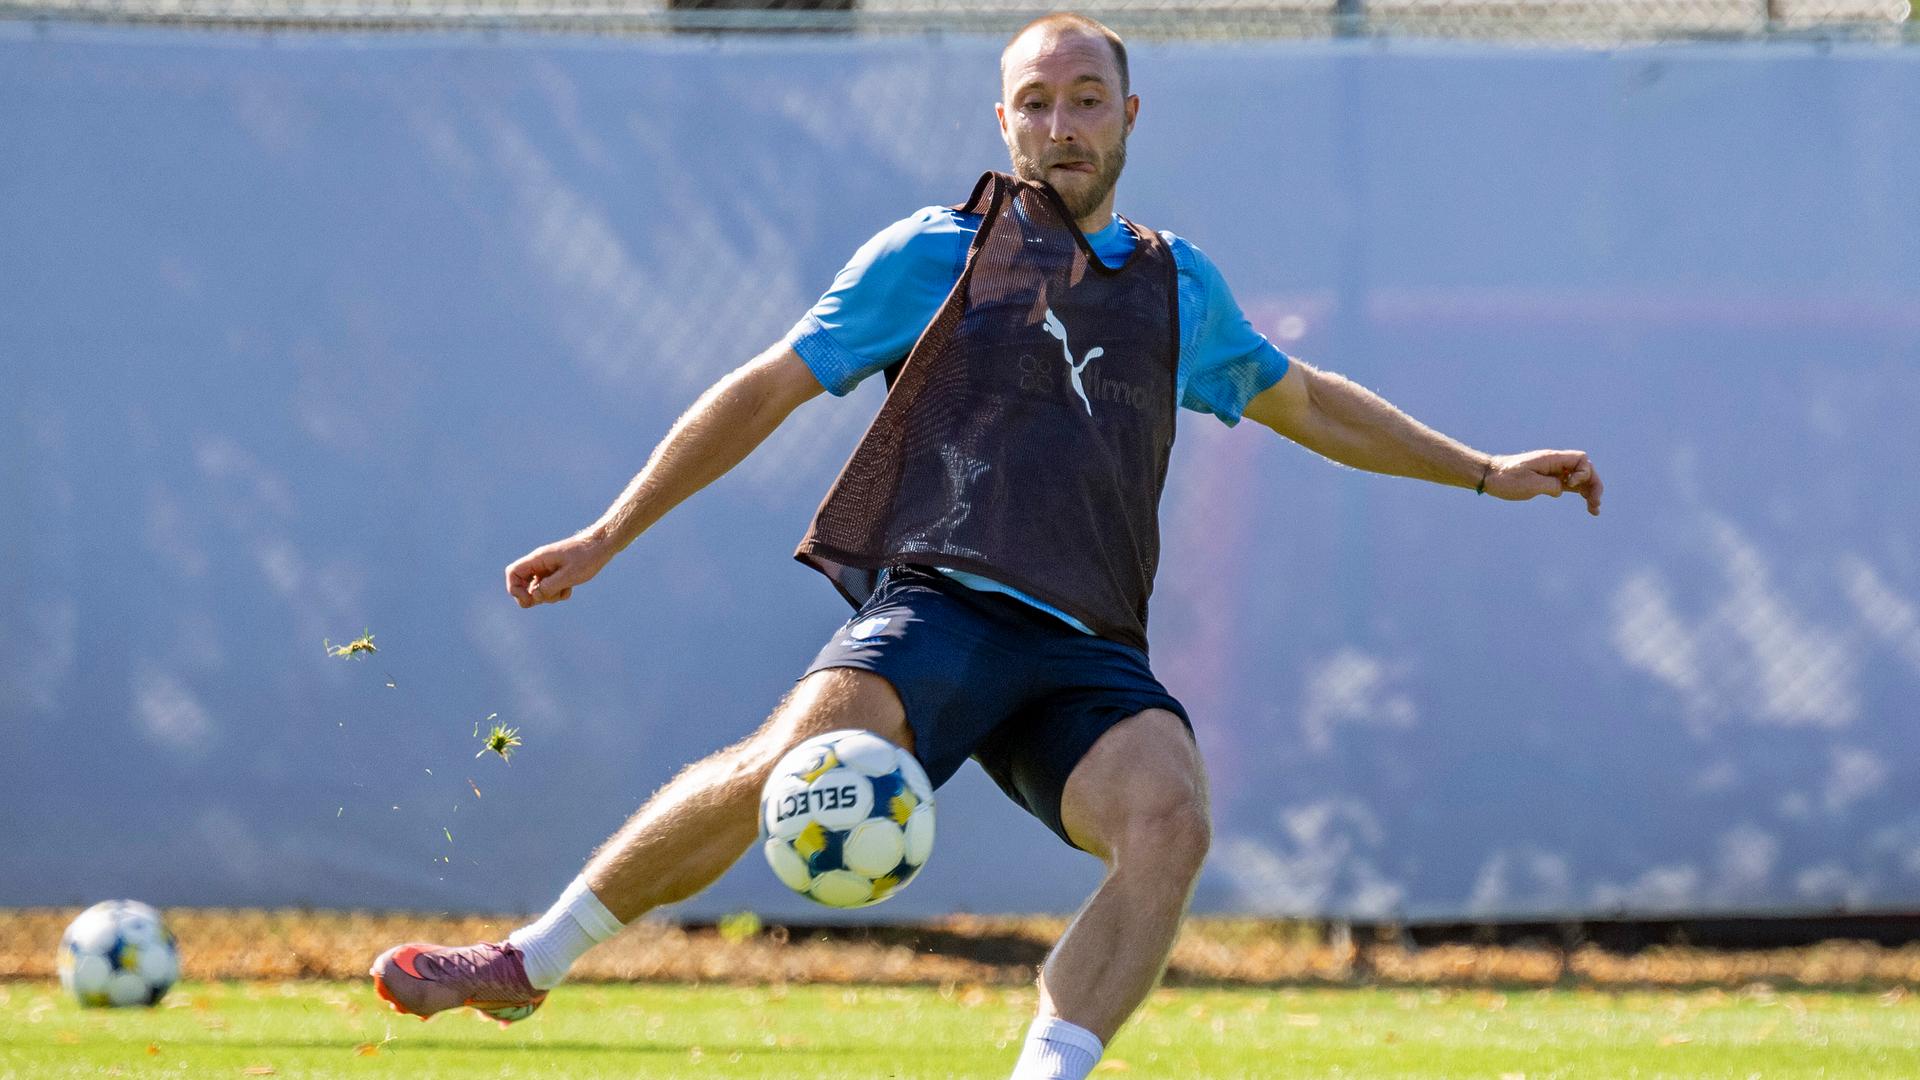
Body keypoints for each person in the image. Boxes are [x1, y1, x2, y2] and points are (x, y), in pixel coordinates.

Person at [371, 12, 1603, 1078]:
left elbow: (1312, 400)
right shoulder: (933, 256)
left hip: (1084, 648)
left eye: (1085, 100)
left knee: (1169, 819)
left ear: (1130, 115)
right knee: (799, 756)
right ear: (1002, 122)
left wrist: (1483, 471)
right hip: (942, 612)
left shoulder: (1178, 289)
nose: (1061, 124)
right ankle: (529, 959)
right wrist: (610, 531)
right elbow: (765, 389)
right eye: (1035, 102)